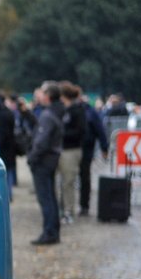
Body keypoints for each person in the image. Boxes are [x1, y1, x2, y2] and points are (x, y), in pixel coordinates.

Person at [27, 81, 64, 246]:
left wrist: (32, 157)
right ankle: (53, 230)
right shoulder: (55, 112)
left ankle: (49, 232)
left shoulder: (47, 115)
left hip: (43, 161)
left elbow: (41, 141)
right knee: (51, 196)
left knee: (46, 198)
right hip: (51, 159)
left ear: (48, 96)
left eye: (42, 92)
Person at [58, 81, 86, 223]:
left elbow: (80, 131)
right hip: (63, 149)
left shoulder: (77, 110)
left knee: (68, 182)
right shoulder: (64, 110)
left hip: (71, 150)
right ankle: (63, 208)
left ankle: (68, 210)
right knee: (62, 182)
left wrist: (61, 134)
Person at [79, 94, 109, 216]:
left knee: (84, 178)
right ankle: (83, 205)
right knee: (83, 178)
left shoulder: (90, 113)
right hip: (84, 148)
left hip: (85, 149)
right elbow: (100, 130)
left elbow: (100, 130)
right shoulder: (90, 112)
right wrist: (104, 147)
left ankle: (84, 205)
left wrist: (104, 147)